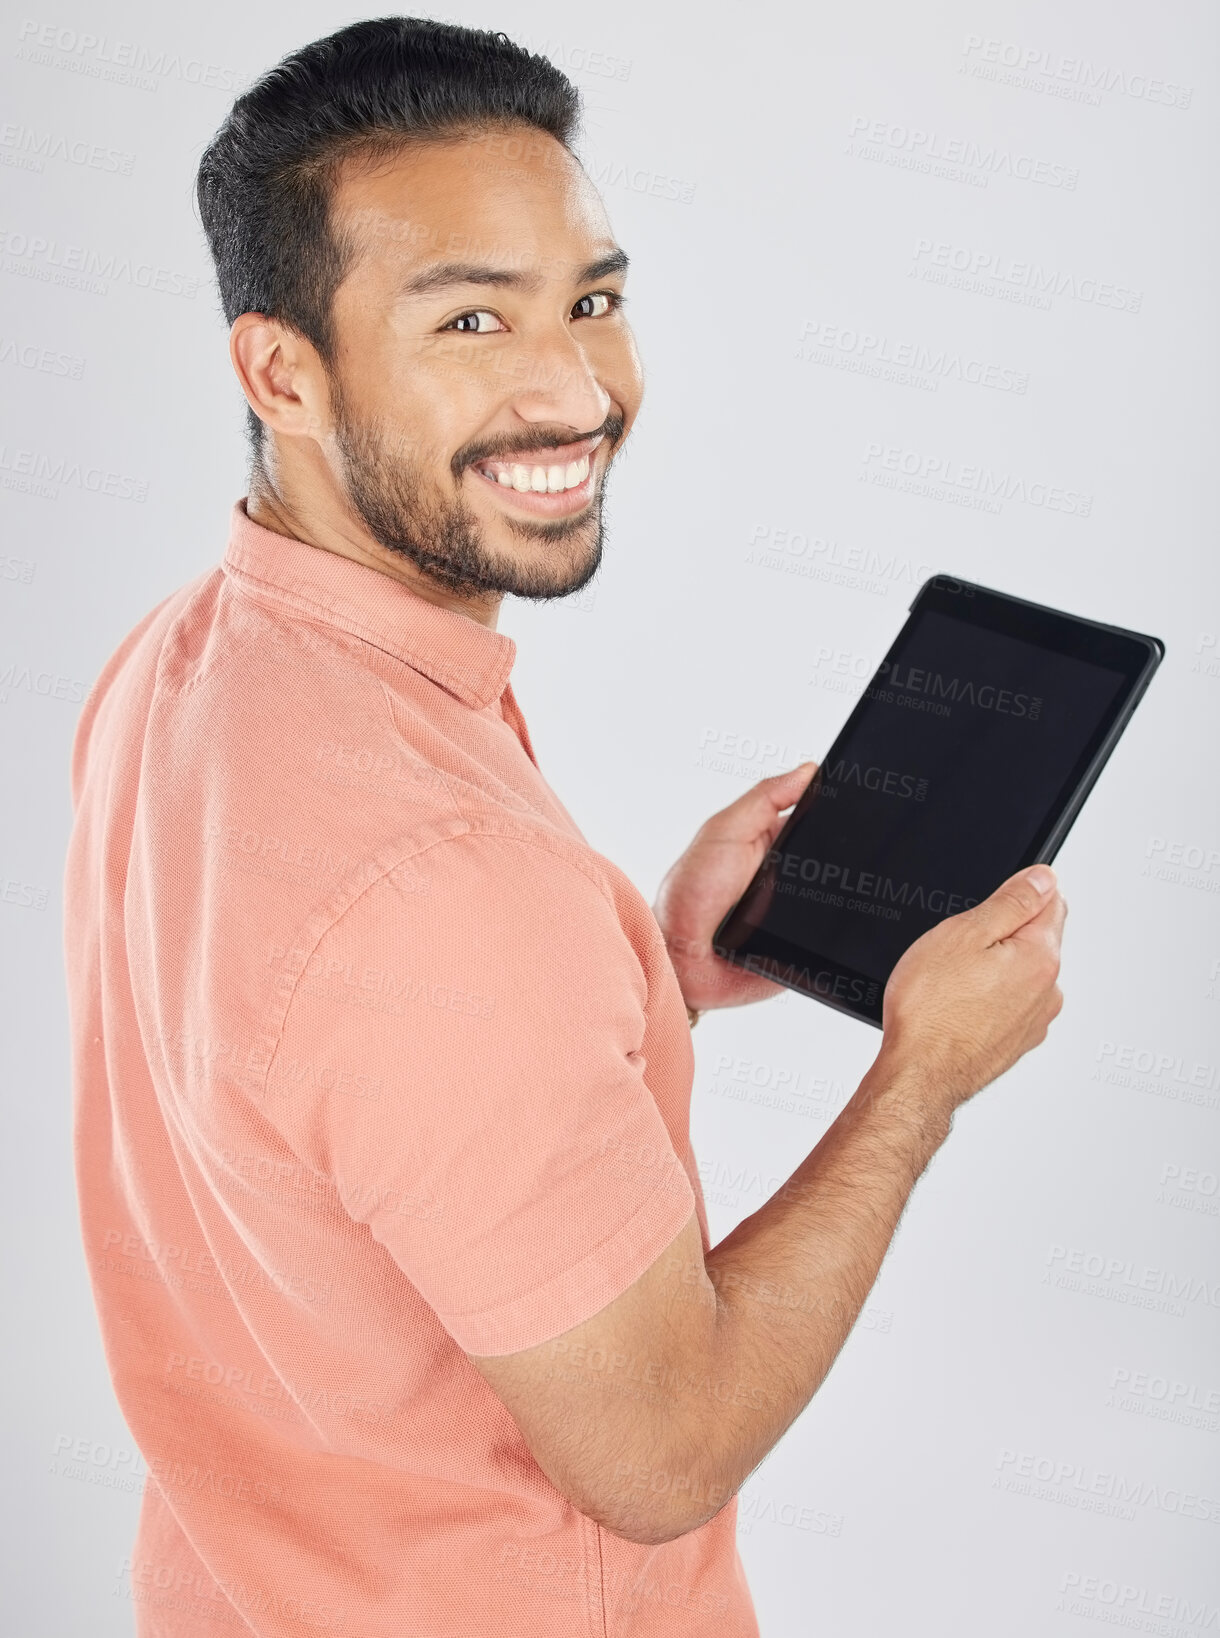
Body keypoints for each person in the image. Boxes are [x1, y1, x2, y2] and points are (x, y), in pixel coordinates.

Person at [61, 16, 1066, 1637]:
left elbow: (332, 1105)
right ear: (281, 368)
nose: (574, 388)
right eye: (470, 317)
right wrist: (921, 1075)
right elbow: (662, 1450)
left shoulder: (181, 664)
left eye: (591, 298)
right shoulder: (444, 883)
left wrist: (649, 965)